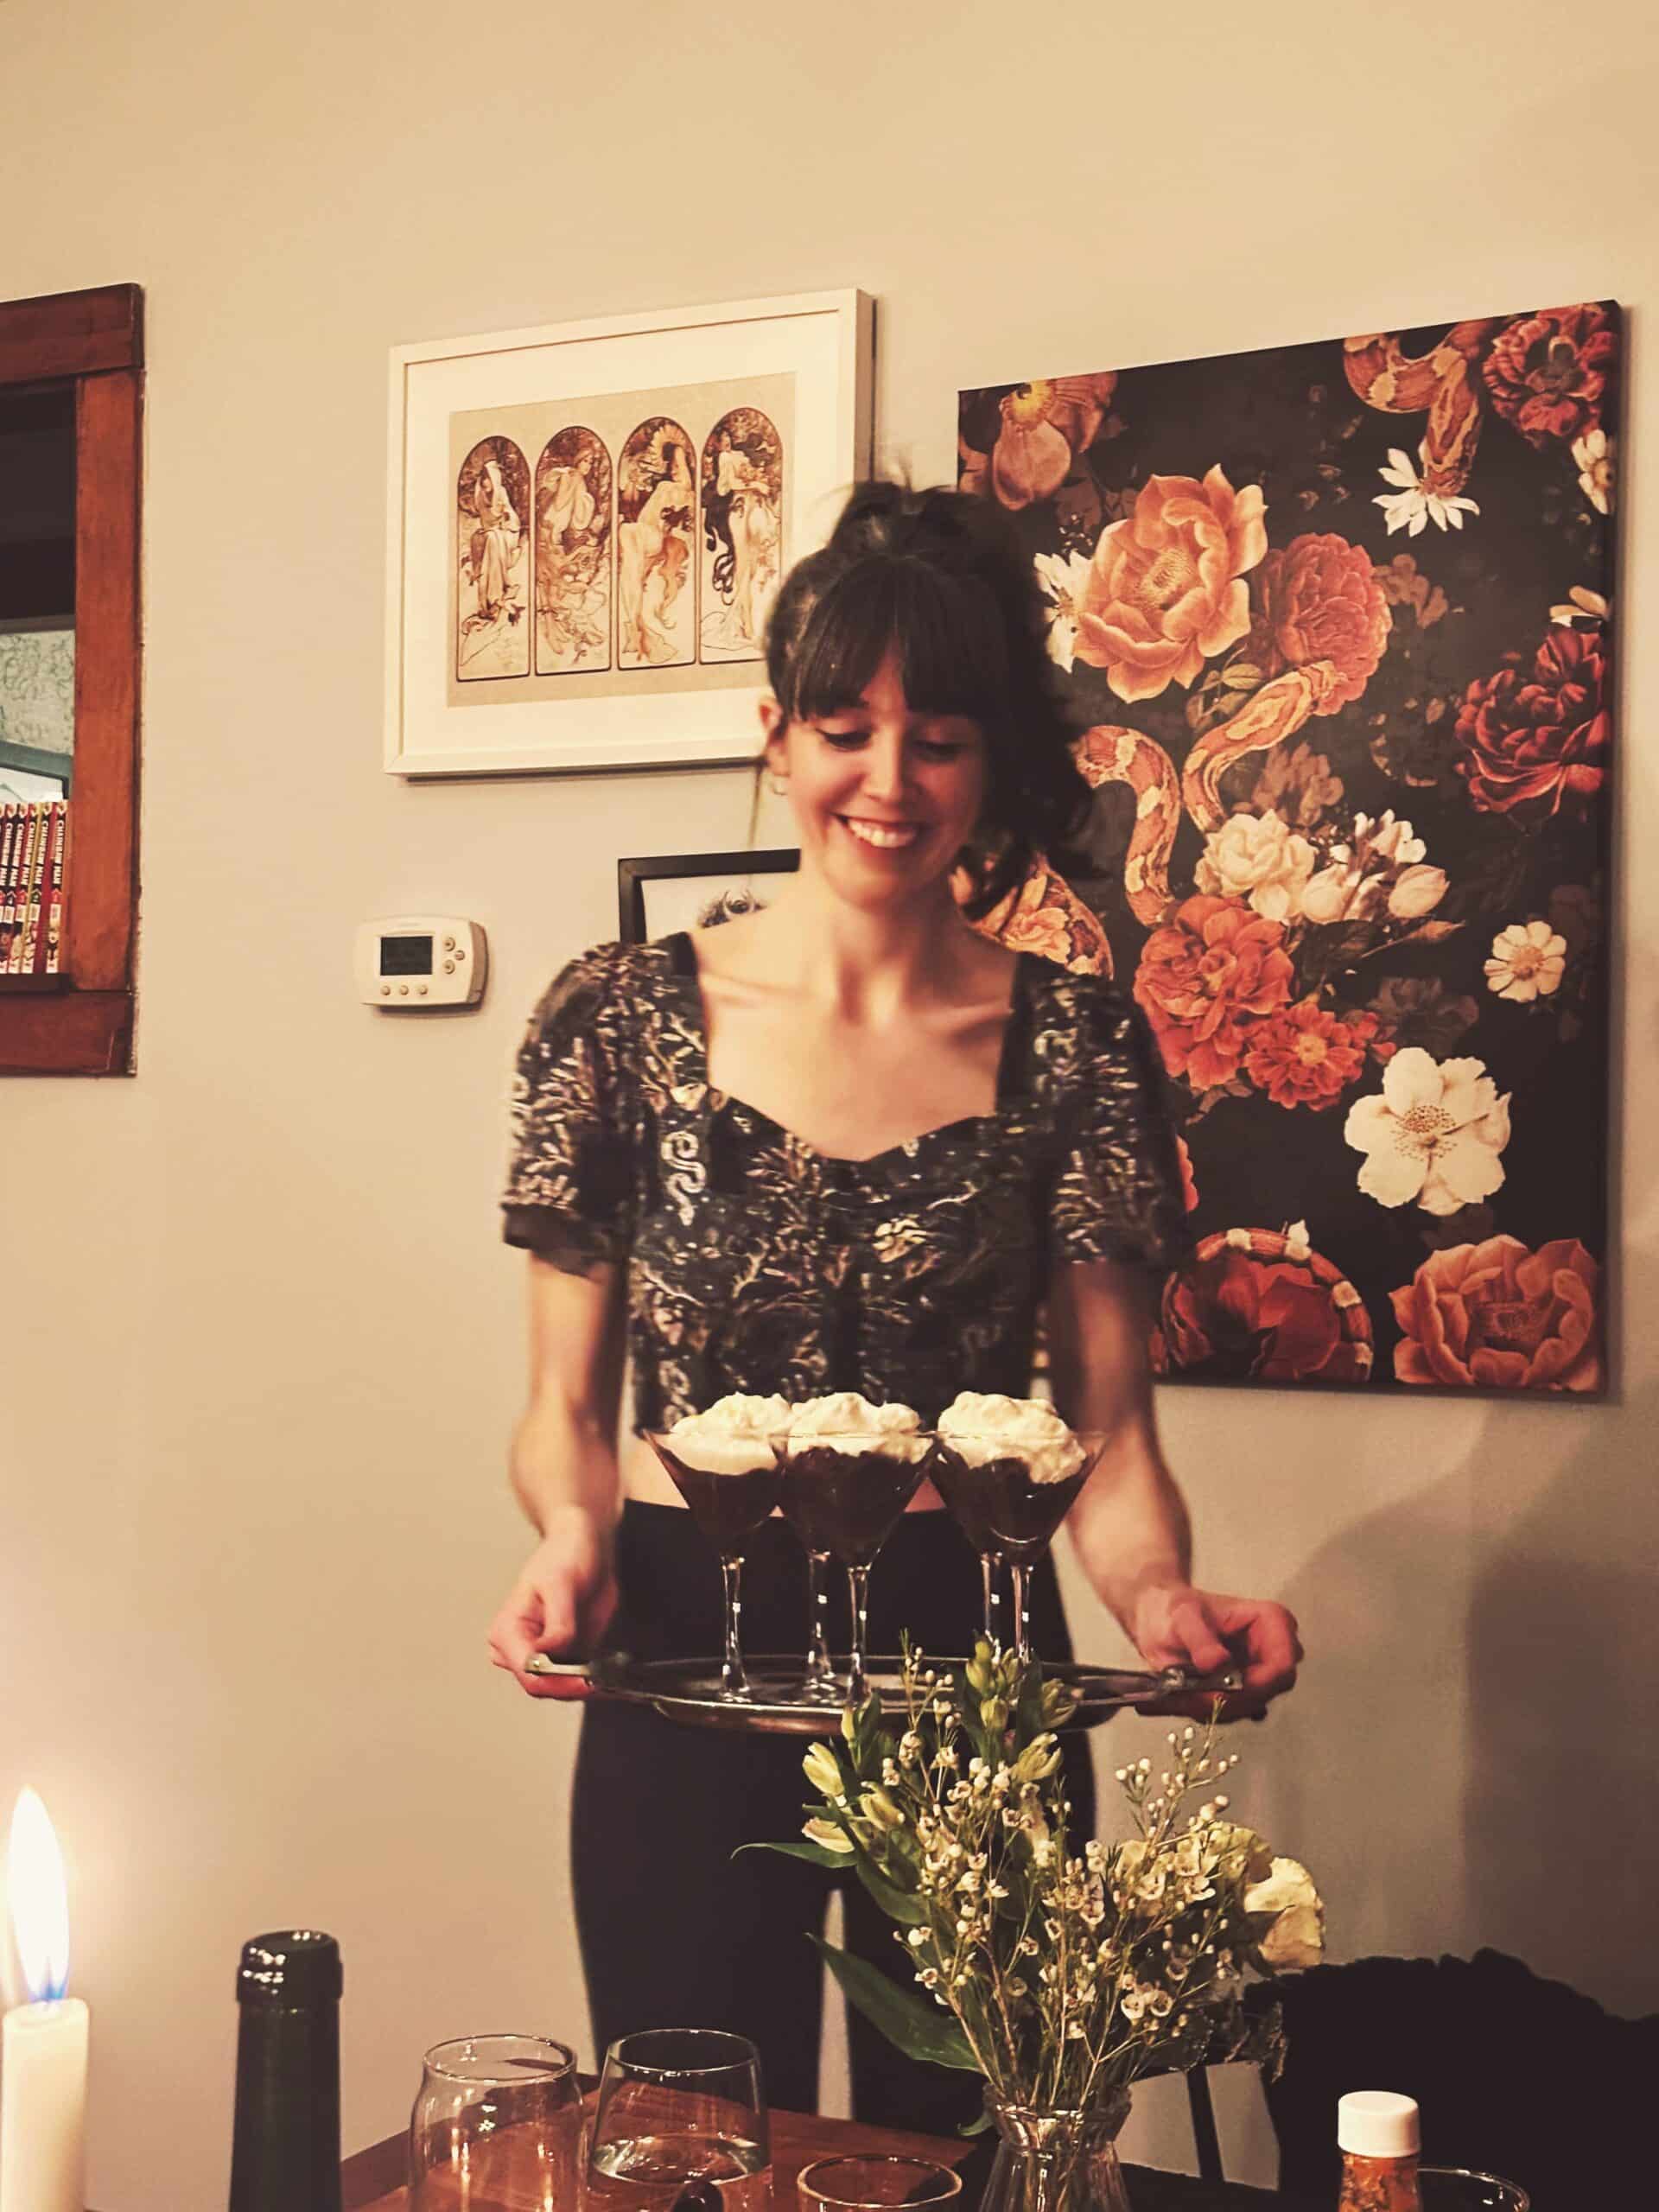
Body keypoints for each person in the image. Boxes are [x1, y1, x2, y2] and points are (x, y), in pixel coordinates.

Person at [489, 481, 1303, 2128]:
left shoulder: (1078, 1045)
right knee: (697, 2139)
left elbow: (1111, 1438)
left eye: (938, 735)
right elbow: (568, 1416)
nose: (888, 779)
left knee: (983, 2139)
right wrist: (568, 1547)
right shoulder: (615, 1018)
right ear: (775, 736)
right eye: (846, 726)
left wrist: (1158, 1608)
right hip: (684, 1632)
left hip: (972, 1637)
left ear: (988, 760)